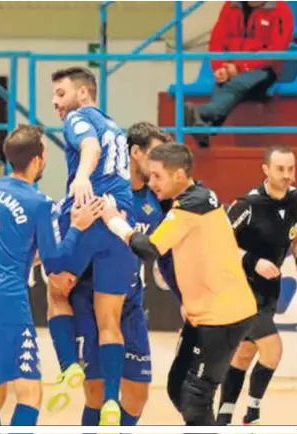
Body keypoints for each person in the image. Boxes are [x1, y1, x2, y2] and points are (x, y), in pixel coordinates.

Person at [101, 142, 257, 426]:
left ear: (180, 176)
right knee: (178, 388)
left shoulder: (189, 207)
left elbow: (150, 249)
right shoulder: (196, 196)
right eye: (150, 176)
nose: (152, 183)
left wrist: (114, 222)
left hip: (223, 316)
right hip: (205, 315)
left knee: (196, 399)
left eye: (158, 176)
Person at [0, 125, 103, 426]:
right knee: (30, 396)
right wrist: (78, 226)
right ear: (37, 159)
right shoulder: (39, 203)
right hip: (7, 304)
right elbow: (55, 262)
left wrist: (22, 252)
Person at [70, 122, 175, 428]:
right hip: (93, 300)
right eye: (154, 155)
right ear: (134, 152)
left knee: (138, 395)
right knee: (96, 393)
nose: (159, 164)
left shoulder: (157, 199)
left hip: (130, 302)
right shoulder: (100, 190)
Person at [49, 66, 138, 424]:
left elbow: (89, 146)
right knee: (109, 317)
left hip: (90, 211)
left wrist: (83, 175)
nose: (56, 103)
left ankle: (69, 364)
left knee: (56, 289)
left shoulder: (79, 118)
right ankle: (113, 400)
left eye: (60, 94)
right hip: (120, 219)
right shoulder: (114, 124)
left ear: (83, 93)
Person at [217, 144, 297, 426]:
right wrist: (252, 260)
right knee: (273, 349)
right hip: (241, 289)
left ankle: (224, 415)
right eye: (280, 169)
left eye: (291, 168)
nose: (287, 175)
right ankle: (253, 414)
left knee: (245, 353)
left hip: (269, 291)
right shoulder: (247, 204)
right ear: (266, 170)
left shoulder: (296, 199)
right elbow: (220, 243)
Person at [185, 1, 294, 147]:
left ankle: (201, 113)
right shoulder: (230, 5)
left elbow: (276, 50)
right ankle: (205, 127)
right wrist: (220, 67)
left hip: (264, 69)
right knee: (226, 83)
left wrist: (239, 67)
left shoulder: (281, 10)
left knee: (232, 85)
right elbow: (217, 40)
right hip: (230, 67)